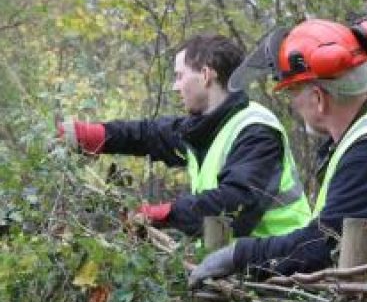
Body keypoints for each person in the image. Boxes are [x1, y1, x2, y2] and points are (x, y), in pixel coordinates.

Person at [189, 19, 367, 287]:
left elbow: (319, 246)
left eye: (292, 92)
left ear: (318, 98)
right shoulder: (366, 134)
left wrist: (238, 255)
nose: (293, 105)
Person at [58, 34, 310, 238]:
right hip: (239, 265)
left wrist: (168, 213)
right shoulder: (204, 126)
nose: (175, 86)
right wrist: (93, 135)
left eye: (180, 76)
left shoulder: (256, 131)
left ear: (206, 75)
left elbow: (235, 203)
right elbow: (148, 134)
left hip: (285, 265)